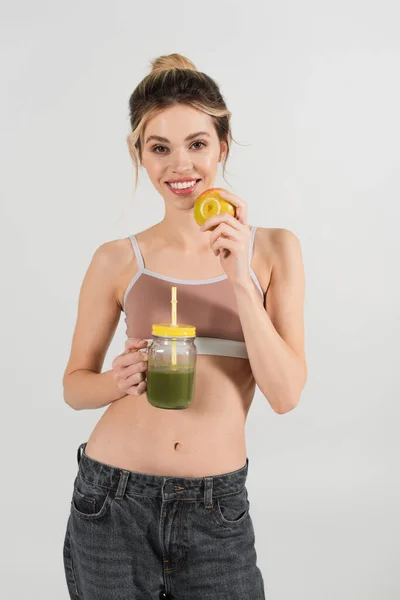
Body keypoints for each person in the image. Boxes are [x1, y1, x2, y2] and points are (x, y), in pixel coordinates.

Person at [62, 53, 307, 600]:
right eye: (159, 147)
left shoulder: (273, 251)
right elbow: (74, 385)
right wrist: (115, 381)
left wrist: (239, 279)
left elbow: (286, 394)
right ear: (139, 155)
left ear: (222, 145)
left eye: (197, 143)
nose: (181, 166)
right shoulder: (116, 259)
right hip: (111, 499)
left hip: (215, 507)